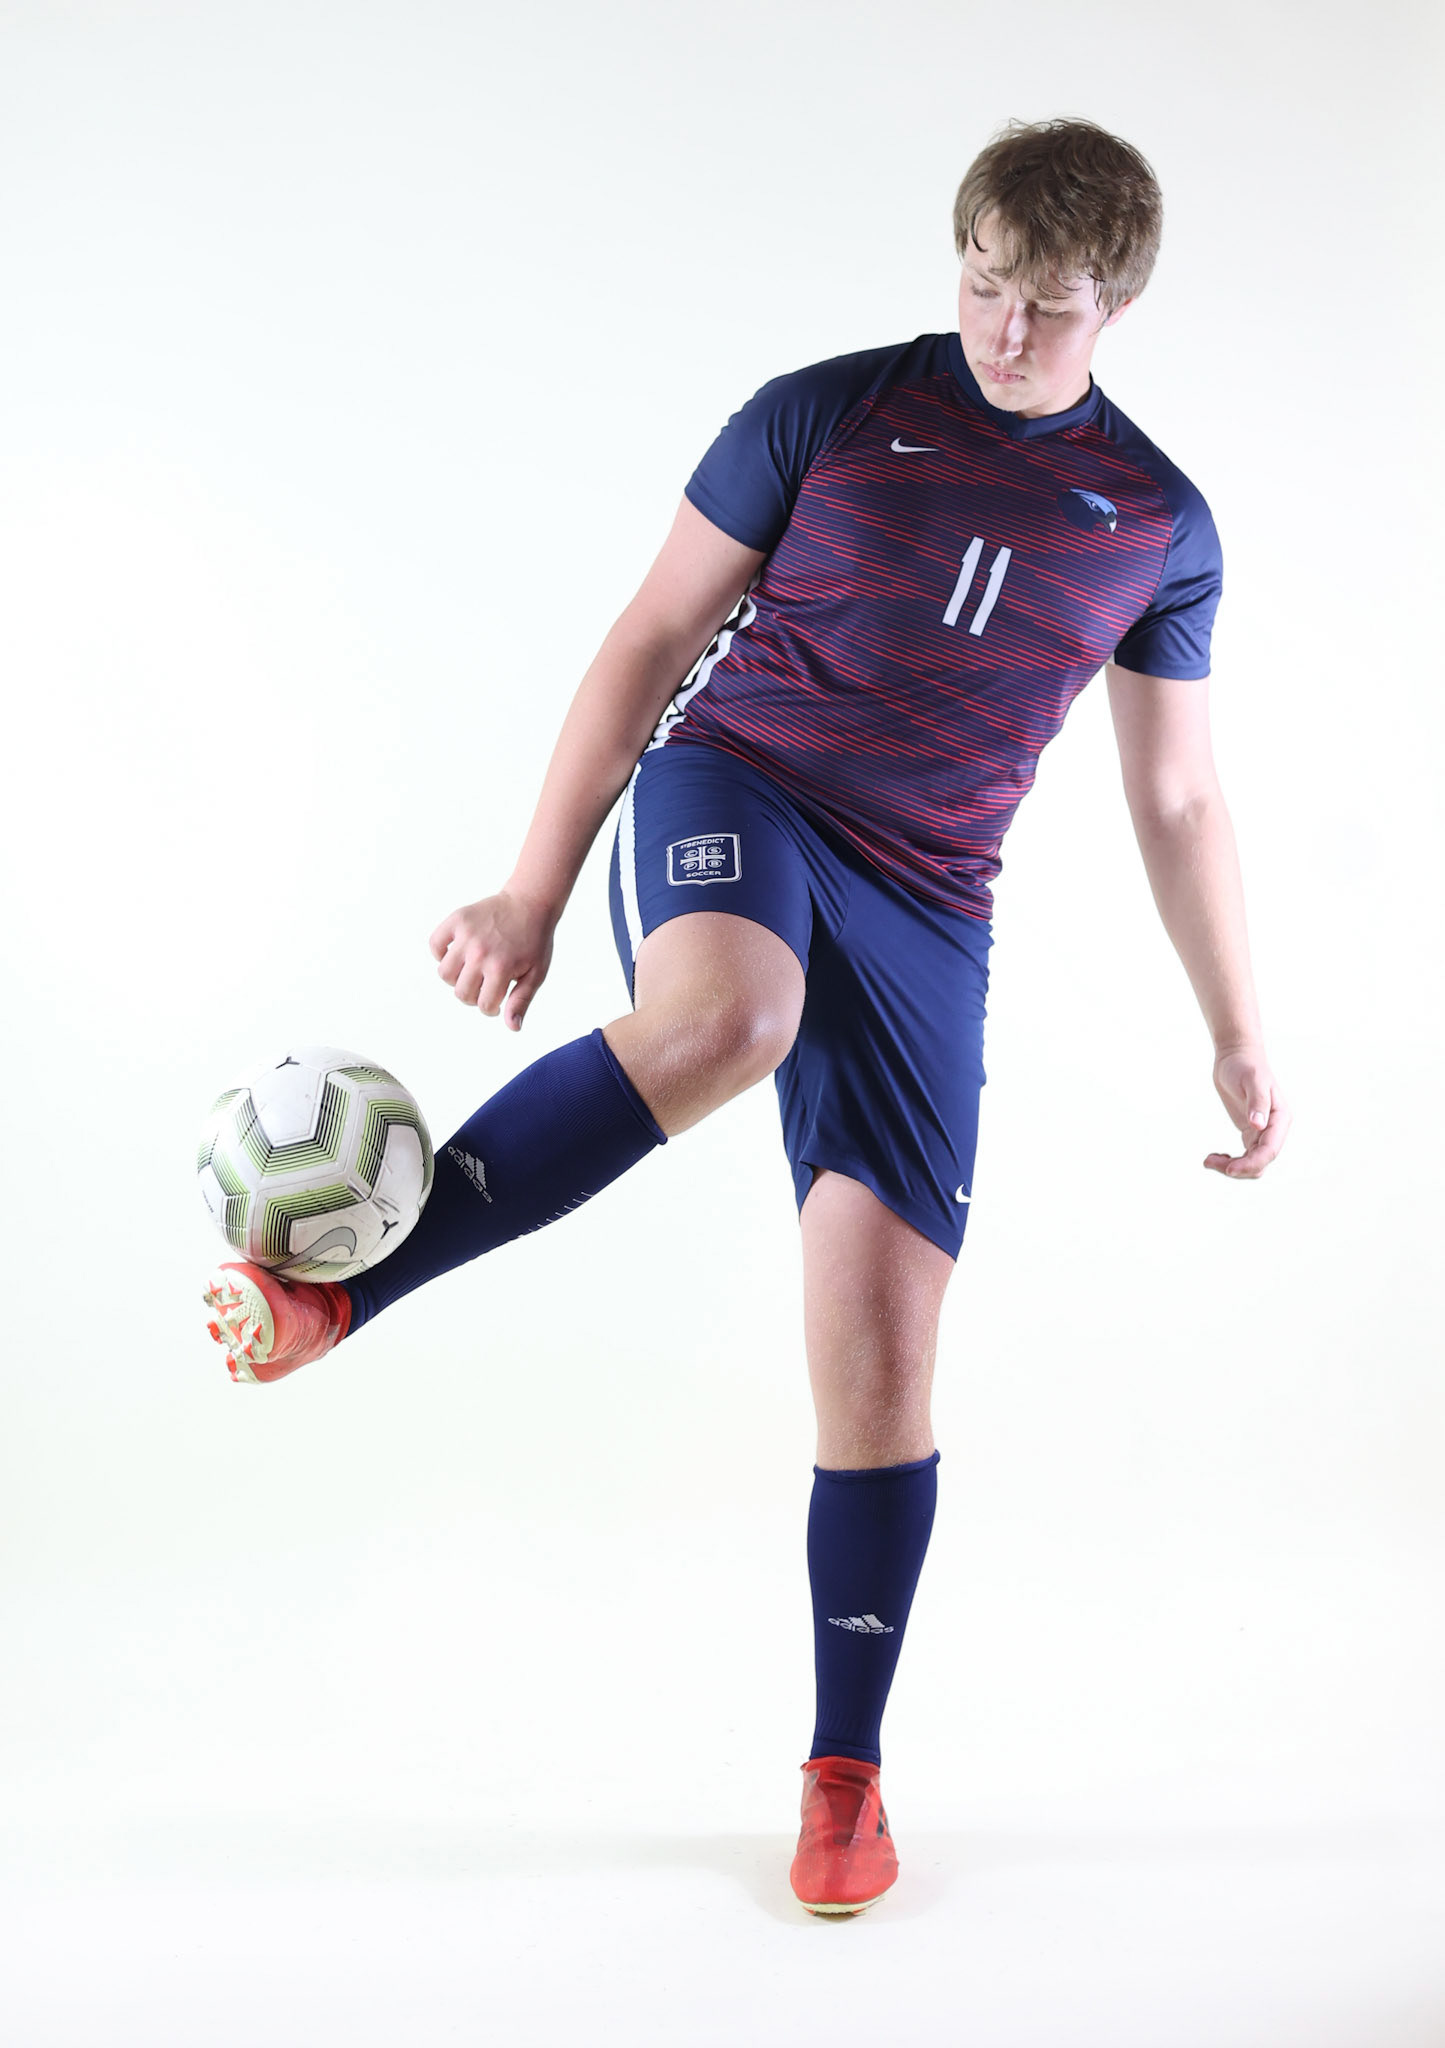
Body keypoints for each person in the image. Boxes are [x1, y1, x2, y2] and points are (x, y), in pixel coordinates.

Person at [203, 115, 1292, 1917]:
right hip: (745, 787)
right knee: (726, 1022)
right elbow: (645, 642)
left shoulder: (1160, 526)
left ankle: (844, 1775)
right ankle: (337, 1292)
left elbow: (1177, 800)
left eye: (1044, 305)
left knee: (876, 1350)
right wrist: (533, 890)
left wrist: (1236, 1022)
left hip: (932, 901)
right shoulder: (827, 410)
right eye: (978, 287)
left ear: (1116, 304)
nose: (1001, 333)